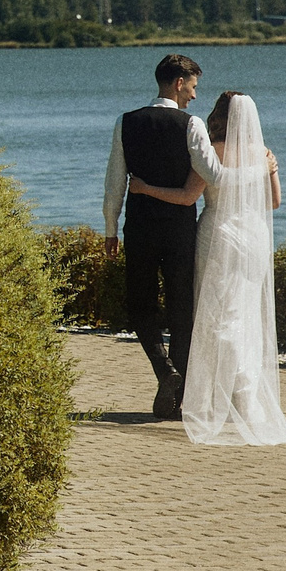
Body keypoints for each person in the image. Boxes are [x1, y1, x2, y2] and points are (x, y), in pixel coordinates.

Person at [126, 91, 286, 446]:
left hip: (220, 234)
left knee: (217, 315)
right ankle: (243, 397)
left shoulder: (212, 152)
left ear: (217, 116)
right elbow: (274, 202)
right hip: (254, 238)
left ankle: (221, 394)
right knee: (245, 312)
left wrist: (144, 188)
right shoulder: (264, 154)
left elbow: (187, 197)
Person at [102, 53, 223, 419]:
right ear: (178, 83)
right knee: (181, 310)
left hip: (139, 227)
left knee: (140, 307)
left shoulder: (126, 122)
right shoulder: (191, 124)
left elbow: (114, 182)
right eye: (193, 87)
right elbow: (213, 173)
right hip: (179, 230)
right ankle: (177, 388)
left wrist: (110, 228)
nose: (195, 96)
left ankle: (164, 371)